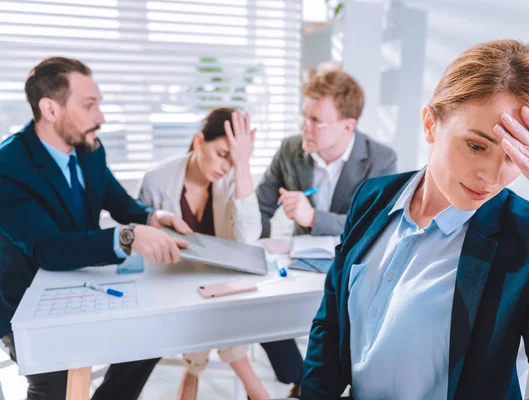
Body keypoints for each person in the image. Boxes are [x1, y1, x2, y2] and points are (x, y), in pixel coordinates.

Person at [301, 40, 529, 399]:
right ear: (430, 124)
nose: (491, 175)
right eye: (476, 146)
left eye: (514, 156)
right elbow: (331, 324)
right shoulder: (372, 197)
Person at [0, 57, 192, 400]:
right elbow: (49, 249)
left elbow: (116, 199)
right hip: (24, 297)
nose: (100, 118)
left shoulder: (89, 148)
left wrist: (150, 216)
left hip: (81, 281)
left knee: (152, 337)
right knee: (56, 385)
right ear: (50, 109)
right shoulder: (7, 166)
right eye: (90, 105)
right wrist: (128, 237)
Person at [255, 70, 397, 396]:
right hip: (299, 265)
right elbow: (262, 206)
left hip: (353, 269)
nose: (304, 127)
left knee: (342, 323)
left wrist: (313, 216)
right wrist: (258, 250)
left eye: (315, 120)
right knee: (262, 309)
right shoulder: (291, 150)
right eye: (304, 116)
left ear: (348, 125)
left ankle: (329, 382)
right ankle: (300, 378)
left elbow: (374, 223)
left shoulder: (381, 160)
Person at [139, 108, 269, 400]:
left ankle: (193, 370)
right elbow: (142, 242)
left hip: (221, 286)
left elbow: (249, 239)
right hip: (173, 283)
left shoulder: (236, 179)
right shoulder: (156, 180)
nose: (227, 166)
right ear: (199, 142)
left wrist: (243, 164)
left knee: (217, 308)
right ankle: (254, 390)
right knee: (211, 315)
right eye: (223, 154)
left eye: (235, 158)